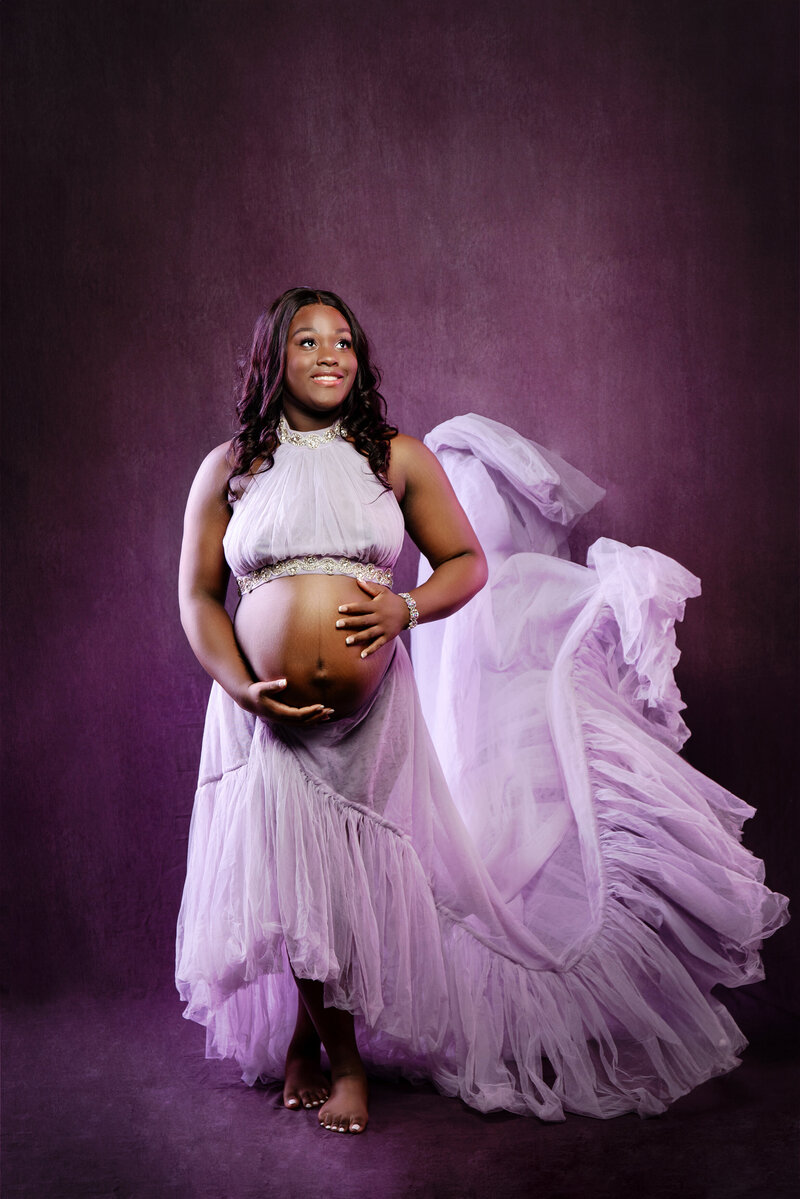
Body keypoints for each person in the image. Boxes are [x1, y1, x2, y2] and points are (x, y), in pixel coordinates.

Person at [176, 287, 789, 1134]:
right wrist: (239, 682)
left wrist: (405, 610)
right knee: (294, 872)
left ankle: (304, 1043)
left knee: (343, 885)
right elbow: (200, 595)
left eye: (344, 341)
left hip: (365, 717)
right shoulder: (232, 467)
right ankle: (338, 1056)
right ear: (271, 357)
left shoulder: (393, 455)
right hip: (266, 712)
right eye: (307, 340)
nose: (329, 355)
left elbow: (464, 560)